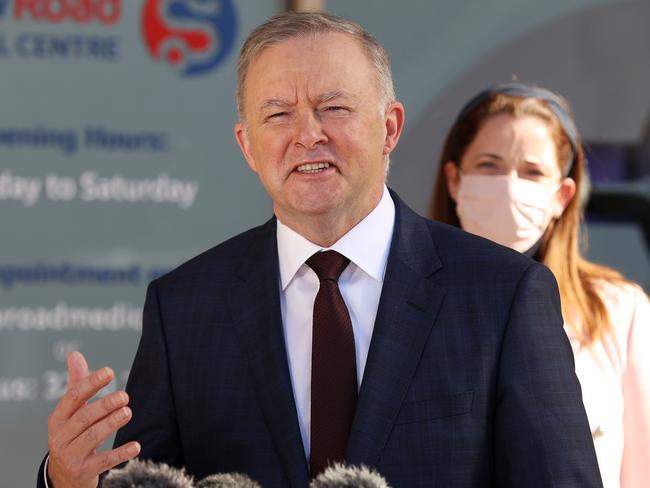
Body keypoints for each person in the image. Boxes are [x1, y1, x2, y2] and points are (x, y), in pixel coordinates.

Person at [39, 13, 603, 488]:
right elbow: (145, 476)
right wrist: (68, 479)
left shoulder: (501, 295)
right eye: (278, 113)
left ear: (389, 127)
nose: (307, 134)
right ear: (248, 147)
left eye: (333, 107)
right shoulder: (184, 307)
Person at [430, 82, 650, 488]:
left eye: (532, 172)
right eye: (489, 166)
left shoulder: (619, 311)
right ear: (454, 179)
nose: (510, 186)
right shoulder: (402, 302)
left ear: (562, 196)